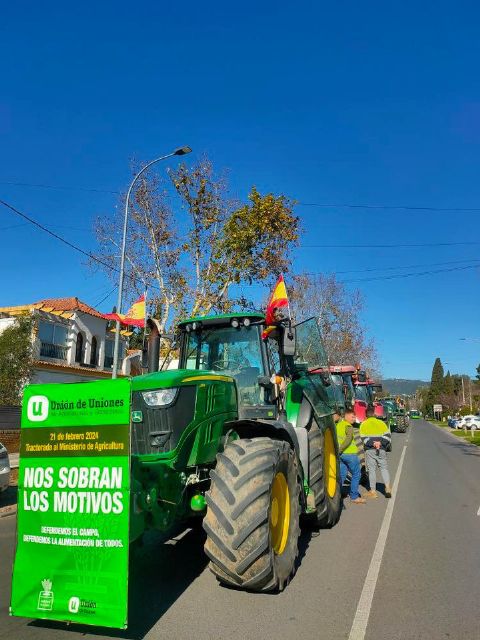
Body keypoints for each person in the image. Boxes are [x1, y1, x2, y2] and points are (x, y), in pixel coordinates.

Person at [334, 407, 366, 504]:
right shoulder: (348, 426)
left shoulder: (338, 425)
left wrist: (338, 451)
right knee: (356, 474)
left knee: (342, 475)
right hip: (350, 454)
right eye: (352, 417)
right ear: (346, 416)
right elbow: (348, 439)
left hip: (341, 456)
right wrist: (341, 449)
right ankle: (354, 496)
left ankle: (338, 494)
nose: (354, 419)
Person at [359, 406, 392, 499]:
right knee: (384, 469)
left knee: (372, 471)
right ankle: (388, 488)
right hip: (381, 449)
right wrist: (380, 443)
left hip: (370, 450)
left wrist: (373, 444)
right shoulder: (382, 423)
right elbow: (388, 437)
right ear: (374, 414)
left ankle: (373, 492)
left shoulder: (363, 424)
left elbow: (364, 439)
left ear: (366, 415)